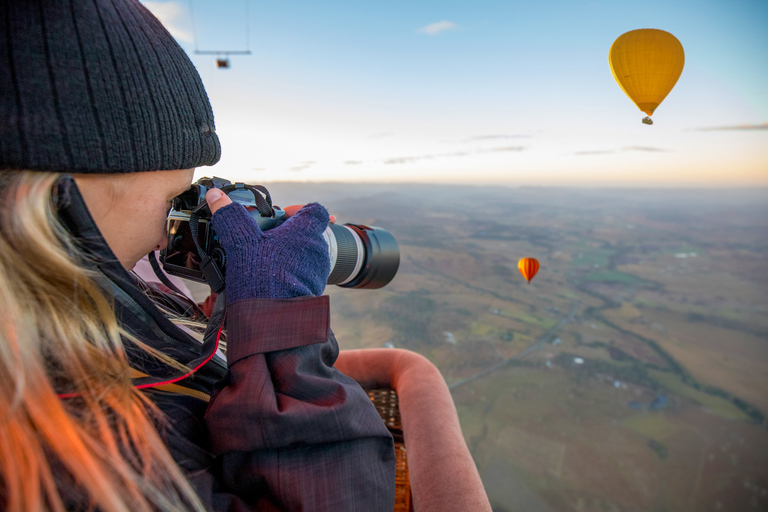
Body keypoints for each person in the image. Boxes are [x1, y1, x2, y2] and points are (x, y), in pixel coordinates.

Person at [0, 1, 395, 511]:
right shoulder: (67, 450)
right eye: (174, 202)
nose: (170, 237)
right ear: (65, 192)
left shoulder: (71, 311)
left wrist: (225, 326)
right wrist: (280, 336)